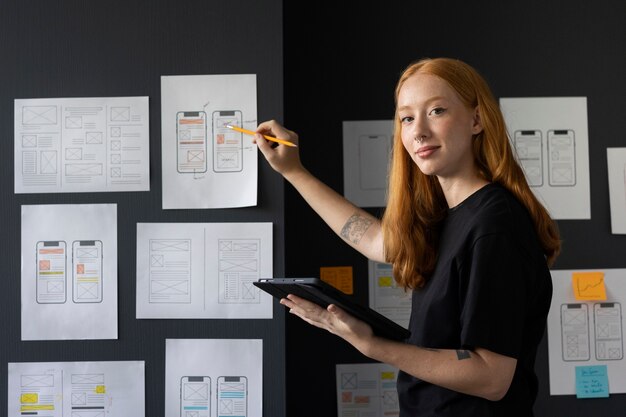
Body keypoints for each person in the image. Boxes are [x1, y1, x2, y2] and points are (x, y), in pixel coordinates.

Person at [253, 57, 560, 416]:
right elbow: (374, 240)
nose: (419, 132)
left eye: (437, 111)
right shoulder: (448, 217)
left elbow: (492, 378)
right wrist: (293, 171)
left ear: (477, 120)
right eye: (407, 118)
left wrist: (373, 346)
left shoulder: (494, 226)